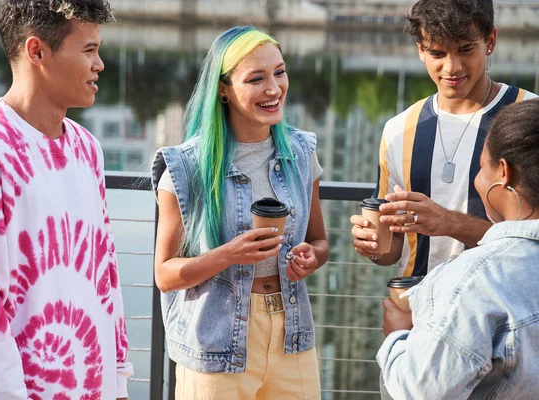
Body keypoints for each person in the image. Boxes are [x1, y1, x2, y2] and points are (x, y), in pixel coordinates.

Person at [0, 1, 133, 398]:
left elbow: (106, 277)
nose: (100, 64)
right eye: (89, 50)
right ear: (37, 51)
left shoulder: (87, 148)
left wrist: (118, 381)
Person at [151, 26, 329, 399]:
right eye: (256, 78)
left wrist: (311, 257)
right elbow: (166, 276)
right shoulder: (186, 167)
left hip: (291, 337)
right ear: (223, 89)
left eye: (279, 72)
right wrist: (229, 254)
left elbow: (319, 241)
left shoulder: (300, 152)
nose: (274, 89)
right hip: (215, 343)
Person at [350, 0, 537, 277]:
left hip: (500, 309)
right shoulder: (399, 129)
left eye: (465, 49)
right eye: (438, 53)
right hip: (414, 309)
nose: (452, 67)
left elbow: (533, 240)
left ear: (490, 40)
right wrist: (372, 245)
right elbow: (391, 251)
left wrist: (450, 223)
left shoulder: (529, 117)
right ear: (420, 51)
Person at [377, 98, 539, 399]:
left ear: (503, 172)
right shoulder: (399, 129)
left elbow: (419, 391)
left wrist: (398, 337)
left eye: (481, 168)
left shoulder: (473, 282)